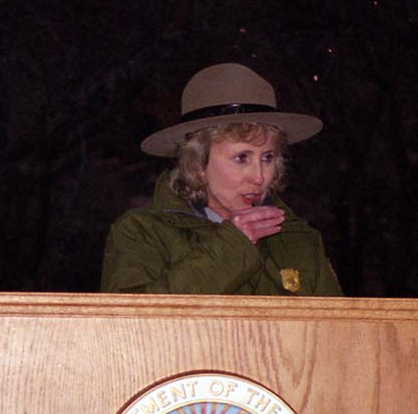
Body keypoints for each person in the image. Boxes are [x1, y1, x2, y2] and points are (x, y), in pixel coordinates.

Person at [100, 63, 343, 296]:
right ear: (198, 164)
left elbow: (342, 332)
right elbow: (131, 326)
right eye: (241, 158)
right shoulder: (141, 232)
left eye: (267, 157)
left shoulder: (300, 239)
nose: (259, 177)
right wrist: (233, 247)